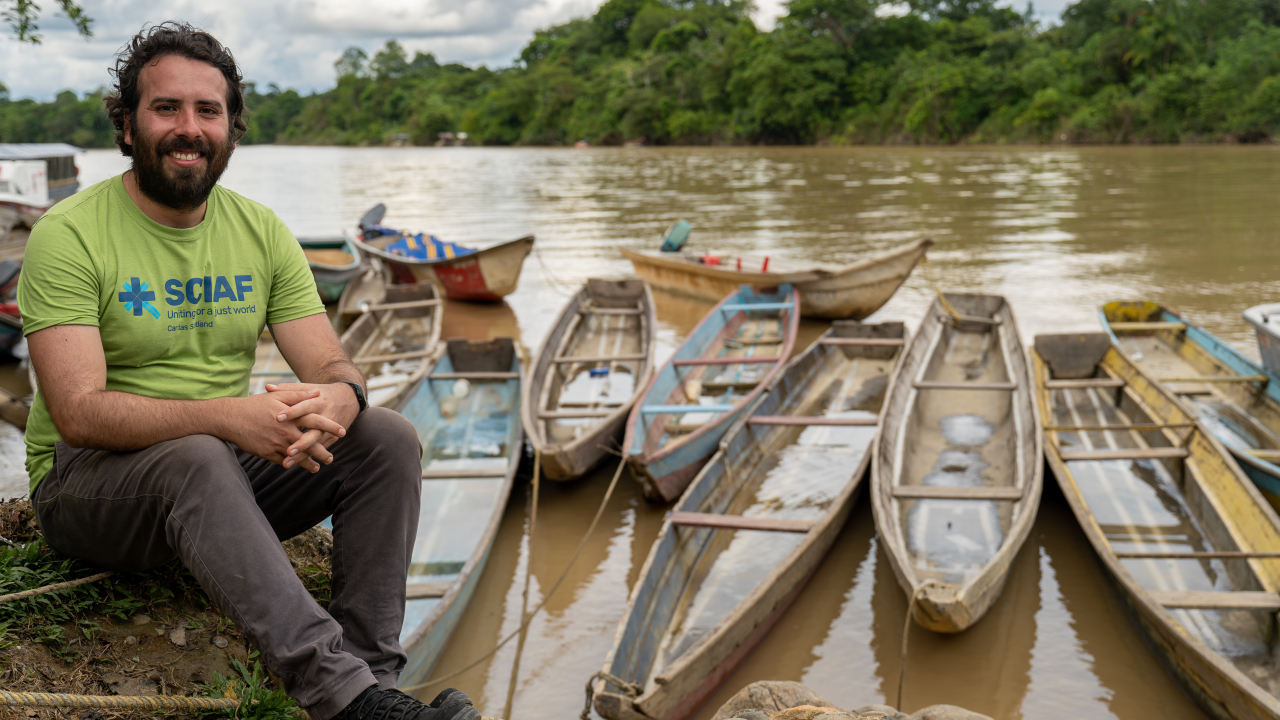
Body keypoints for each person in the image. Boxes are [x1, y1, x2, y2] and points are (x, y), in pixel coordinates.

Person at [17, 22, 478, 720]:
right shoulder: (69, 233)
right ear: (127, 125)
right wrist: (230, 417)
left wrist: (343, 397)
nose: (189, 128)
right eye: (166, 108)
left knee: (387, 438)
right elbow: (79, 411)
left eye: (209, 111)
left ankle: (374, 679)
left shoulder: (260, 230)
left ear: (232, 130)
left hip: (215, 483)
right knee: (199, 454)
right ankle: (339, 697)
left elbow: (329, 360)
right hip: (88, 487)